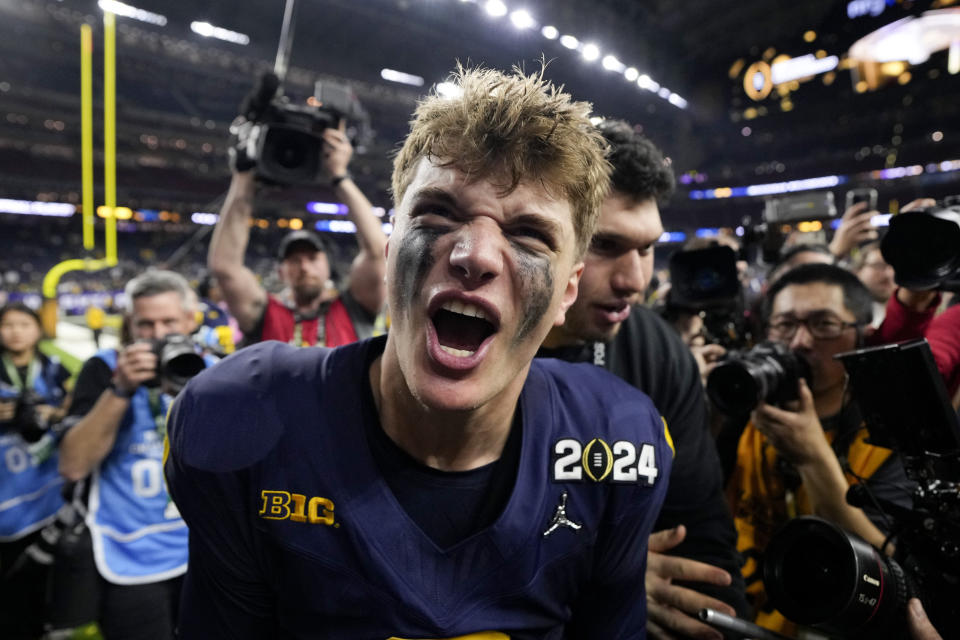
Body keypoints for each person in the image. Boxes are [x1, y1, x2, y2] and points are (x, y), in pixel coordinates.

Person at [166, 65, 673, 637]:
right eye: (436, 213)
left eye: (529, 235)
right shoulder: (240, 416)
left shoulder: (620, 443)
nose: (475, 254)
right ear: (387, 254)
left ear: (568, 292)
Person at [537, 120, 747, 639]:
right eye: (605, 244)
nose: (635, 280)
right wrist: (613, 575)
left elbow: (700, 537)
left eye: (649, 248)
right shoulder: (471, 346)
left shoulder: (656, 348)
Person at [724, 263, 914, 634]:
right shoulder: (741, 411)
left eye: (824, 325)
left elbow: (890, 572)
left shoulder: (889, 433)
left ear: (861, 335)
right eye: (784, 325)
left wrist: (813, 456)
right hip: (737, 615)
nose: (799, 342)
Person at [53, 271, 207, 640]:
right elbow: (73, 465)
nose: (158, 335)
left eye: (169, 322)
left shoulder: (211, 368)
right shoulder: (104, 368)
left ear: (190, 320)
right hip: (129, 554)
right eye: (146, 325)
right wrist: (121, 390)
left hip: (204, 552)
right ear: (129, 327)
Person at [208, 119, 387, 347]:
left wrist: (340, 176)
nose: (304, 267)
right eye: (294, 260)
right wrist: (244, 180)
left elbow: (378, 252)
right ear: (281, 272)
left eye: (312, 258)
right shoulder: (266, 314)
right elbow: (225, 268)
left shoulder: (354, 309)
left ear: (327, 266)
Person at [0, 302, 71, 639]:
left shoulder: (53, 367)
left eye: (23, 324)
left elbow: (72, 405)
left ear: (38, 329)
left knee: (47, 570)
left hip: (47, 487)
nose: (15, 332)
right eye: (8, 325)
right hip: (5, 490)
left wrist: (51, 413)